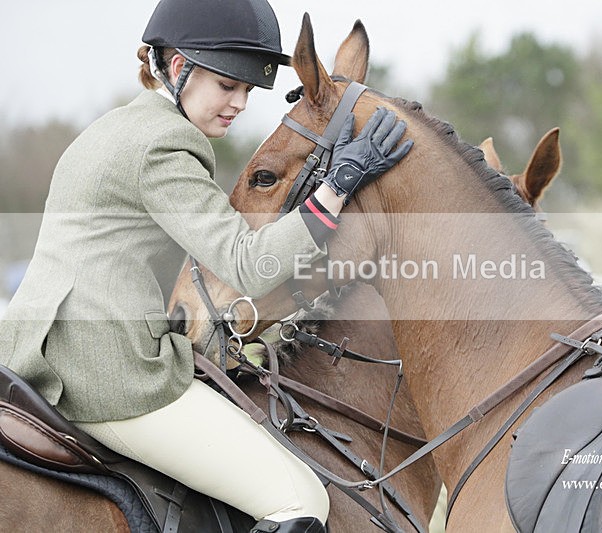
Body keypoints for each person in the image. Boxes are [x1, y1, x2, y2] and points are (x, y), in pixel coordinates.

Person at [0, 0, 412, 531]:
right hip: (108, 373)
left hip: (39, 355)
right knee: (300, 500)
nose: (239, 102)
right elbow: (250, 265)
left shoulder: (114, 129)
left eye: (246, 91)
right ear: (177, 69)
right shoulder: (167, 144)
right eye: (226, 85)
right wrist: (335, 190)